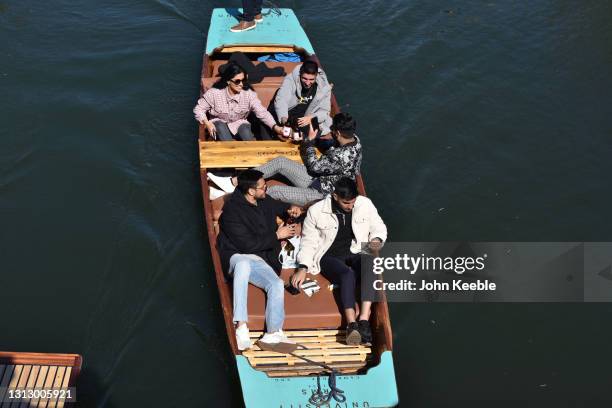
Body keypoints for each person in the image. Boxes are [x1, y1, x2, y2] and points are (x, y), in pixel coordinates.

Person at [291, 177, 387, 345]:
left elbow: (378, 226)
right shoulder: (316, 211)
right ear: (335, 196)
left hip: (358, 248)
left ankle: (364, 320)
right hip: (329, 255)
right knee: (347, 275)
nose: (351, 206)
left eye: (353, 202)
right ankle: (352, 324)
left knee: (370, 264)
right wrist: (303, 267)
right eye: (346, 203)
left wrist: (377, 239)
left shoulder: (365, 204)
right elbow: (308, 242)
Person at [217, 169, 303, 349]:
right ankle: (240, 326)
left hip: (260, 258)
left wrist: (291, 209)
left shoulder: (263, 200)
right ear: (251, 191)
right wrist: (277, 236)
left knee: (277, 284)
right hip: (237, 254)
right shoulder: (232, 211)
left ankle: (273, 333)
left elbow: (281, 207)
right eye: (263, 187)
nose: (267, 189)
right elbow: (246, 246)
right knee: (242, 265)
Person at [207, 112, 362, 207]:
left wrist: (308, 142)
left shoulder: (340, 156)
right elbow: (330, 146)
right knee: (280, 161)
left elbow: (314, 165)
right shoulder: (354, 140)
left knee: (273, 191)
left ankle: (231, 197)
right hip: (319, 179)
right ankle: (234, 182)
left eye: (333, 130)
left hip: (320, 193)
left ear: (338, 132)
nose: (331, 132)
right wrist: (318, 141)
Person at [193, 62, 284, 141]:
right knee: (220, 126)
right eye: (237, 81)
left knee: (245, 131)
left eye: (243, 80)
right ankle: (230, 152)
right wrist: (207, 123)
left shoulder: (249, 94)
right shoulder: (214, 93)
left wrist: (275, 127)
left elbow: (262, 112)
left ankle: (251, 155)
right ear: (228, 81)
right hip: (220, 123)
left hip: (239, 123)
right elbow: (198, 109)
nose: (241, 84)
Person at [265, 60, 333, 146]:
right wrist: (284, 121)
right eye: (304, 78)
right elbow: (281, 100)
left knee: (320, 132)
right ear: (300, 74)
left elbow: (325, 111)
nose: (308, 83)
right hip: (286, 116)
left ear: (316, 76)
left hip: (305, 118)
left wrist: (311, 118)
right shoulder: (290, 80)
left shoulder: (324, 87)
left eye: (311, 79)